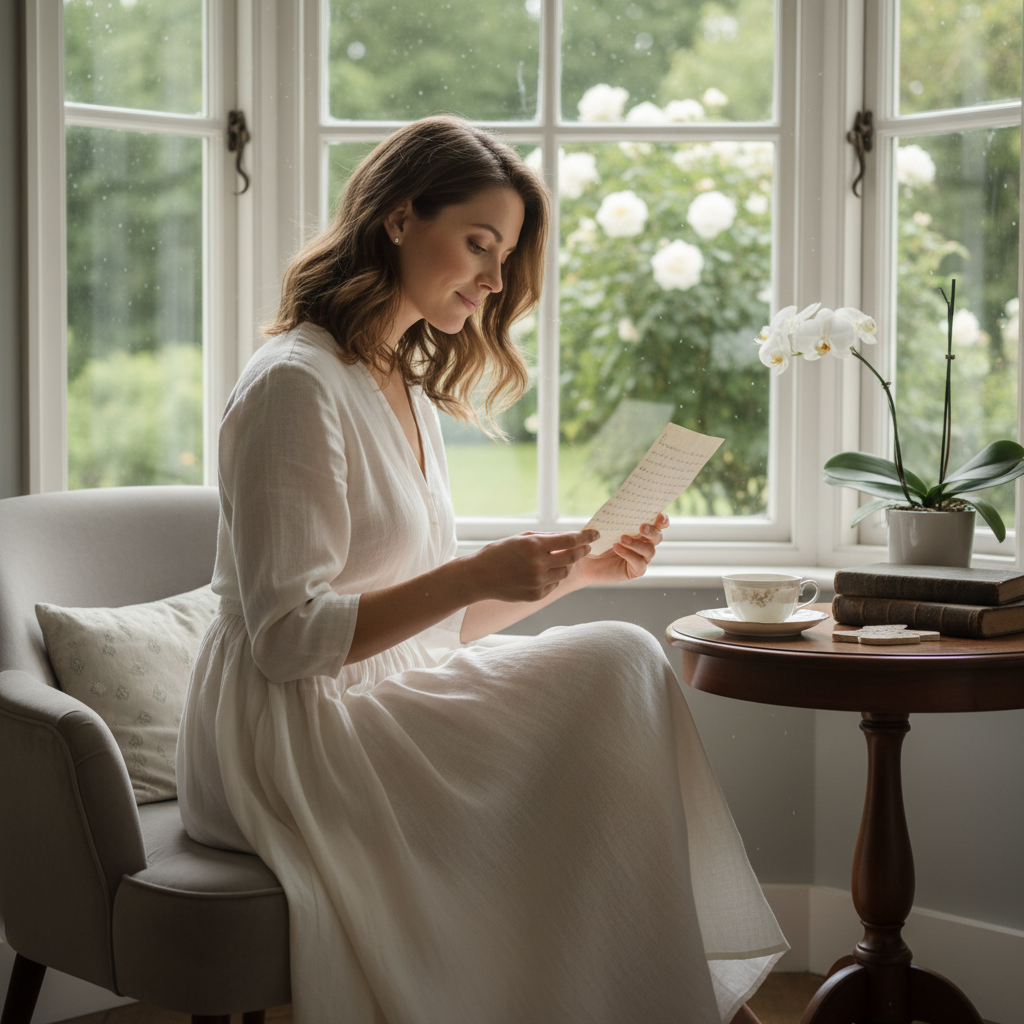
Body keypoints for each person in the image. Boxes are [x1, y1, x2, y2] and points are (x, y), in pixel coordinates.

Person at [177, 115, 786, 1024]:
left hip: (379, 696)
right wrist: (471, 574)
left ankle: (655, 997)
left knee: (613, 666)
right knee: (616, 666)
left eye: (505, 256)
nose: (496, 280)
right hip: (287, 737)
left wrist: (575, 574)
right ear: (397, 218)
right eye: (478, 244)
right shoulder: (293, 384)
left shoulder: (402, 389)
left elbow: (424, 626)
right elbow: (285, 642)